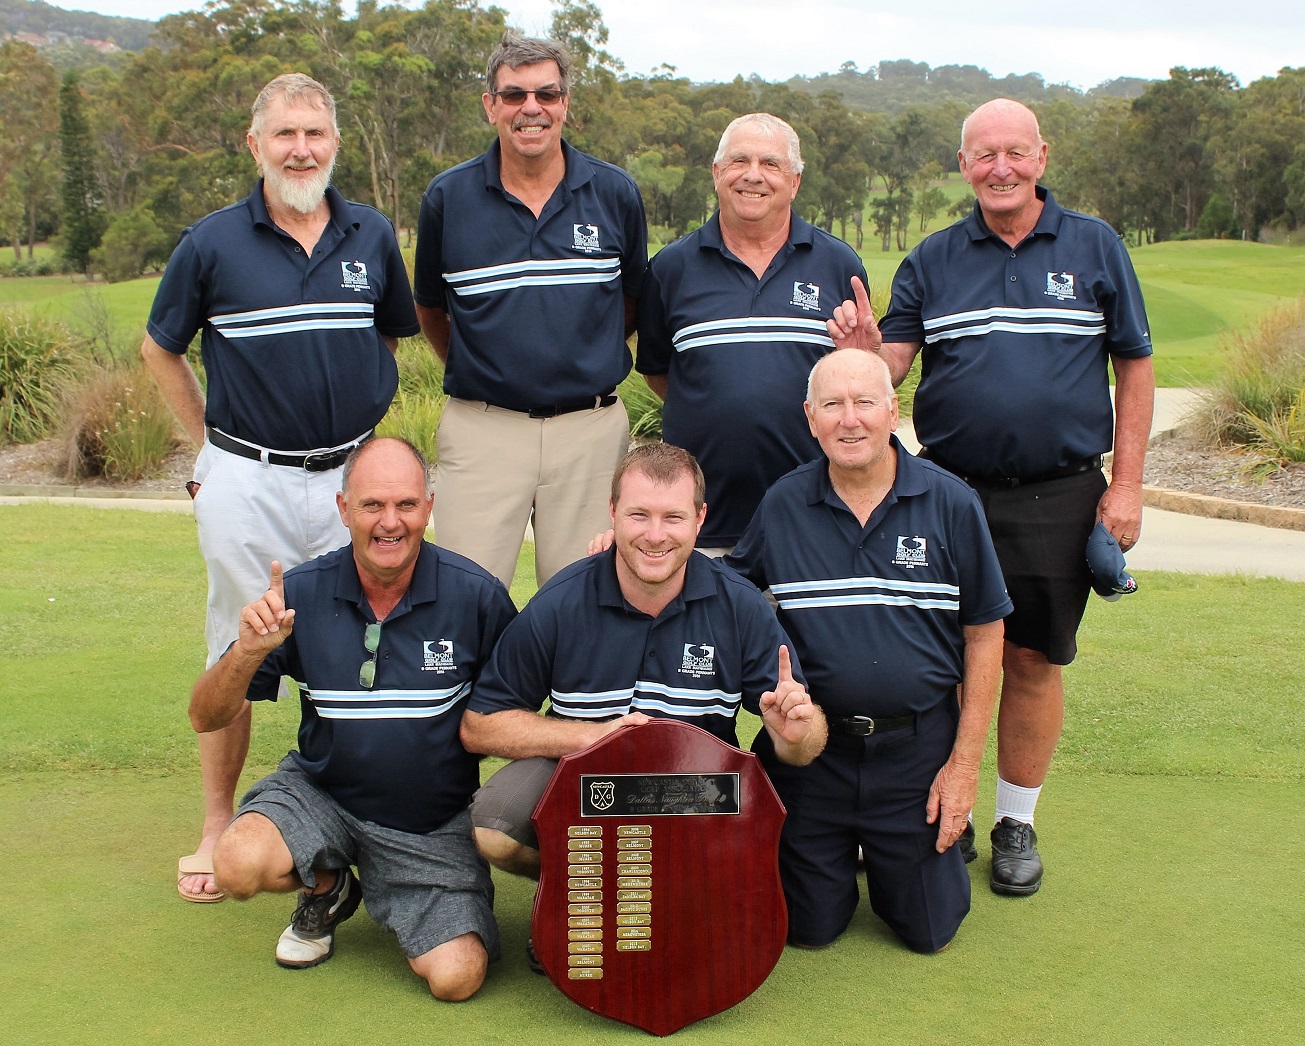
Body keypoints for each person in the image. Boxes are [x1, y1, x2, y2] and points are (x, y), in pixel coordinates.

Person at [827, 98, 1155, 895]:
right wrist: (871, 357)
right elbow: (894, 365)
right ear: (964, 164)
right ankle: (948, 807)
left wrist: (1128, 485)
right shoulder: (934, 259)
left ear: (1040, 156)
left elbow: (1134, 367)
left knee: (1032, 660)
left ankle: (1015, 821)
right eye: (983, 155)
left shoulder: (1094, 246)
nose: (999, 168)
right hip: (947, 492)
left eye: (1014, 152)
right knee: (936, 661)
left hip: (1060, 493)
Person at [142, 73, 420, 903]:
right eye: (286, 134)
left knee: (355, 646)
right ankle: (217, 822)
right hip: (246, 476)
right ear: (254, 143)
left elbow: (390, 343)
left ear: (335, 142)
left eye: (316, 134)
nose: (302, 148)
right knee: (239, 647)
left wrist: (365, 448)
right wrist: (209, 453)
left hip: (349, 482)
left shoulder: (370, 235)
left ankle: (351, 817)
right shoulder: (212, 242)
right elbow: (162, 349)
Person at [191, 438, 516, 1000]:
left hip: (430, 822)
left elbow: (515, 711)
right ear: (344, 510)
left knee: (457, 978)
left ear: (428, 507)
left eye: (406, 505)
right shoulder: (300, 592)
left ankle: (396, 886)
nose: (390, 523)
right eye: (371, 506)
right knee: (237, 865)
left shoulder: (477, 597)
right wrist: (245, 651)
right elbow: (206, 715)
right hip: (322, 794)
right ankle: (328, 883)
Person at [725, 349, 1011, 953]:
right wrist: (628, 550)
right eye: (832, 405)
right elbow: (725, 592)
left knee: (927, 930)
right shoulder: (782, 504)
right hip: (815, 753)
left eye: (863, 403)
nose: (848, 420)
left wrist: (962, 769)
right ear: (810, 416)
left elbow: (986, 634)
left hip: (915, 753)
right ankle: (839, 853)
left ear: (892, 410)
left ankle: (896, 853)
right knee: (808, 929)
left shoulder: (952, 503)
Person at [460, 443, 826, 896]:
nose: (655, 535)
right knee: (494, 830)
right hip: (581, 775)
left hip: (696, 783)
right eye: (639, 515)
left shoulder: (741, 606)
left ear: (699, 518)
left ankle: (670, 881)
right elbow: (481, 726)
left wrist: (795, 735)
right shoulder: (562, 601)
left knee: (705, 922)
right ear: (612, 512)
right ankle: (575, 890)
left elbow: (804, 747)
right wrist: (589, 736)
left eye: (672, 517)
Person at [413, 32, 648, 588]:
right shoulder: (448, 199)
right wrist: (488, 370)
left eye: (547, 94)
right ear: (490, 105)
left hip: (590, 433)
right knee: (466, 595)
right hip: (482, 429)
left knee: (587, 601)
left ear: (565, 102)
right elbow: (431, 309)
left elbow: (631, 302)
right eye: (514, 95)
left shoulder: (614, 193)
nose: (531, 109)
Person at [636, 113, 869, 553]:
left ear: (795, 181)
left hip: (814, 520)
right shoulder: (671, 268)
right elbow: (662, 374)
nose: (753, 175)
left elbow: (854, 371)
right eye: (739, 161)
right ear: (717, 173)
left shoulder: (839, 265)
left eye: (771, 163)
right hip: (701, 521)